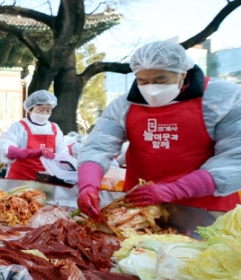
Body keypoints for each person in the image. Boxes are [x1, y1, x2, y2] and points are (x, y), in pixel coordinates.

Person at [77, 40, 241, 219]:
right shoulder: (123, 106)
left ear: (183, 74)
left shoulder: (222, 99)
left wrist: (176, 189)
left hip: (205, 207)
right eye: (142, 81)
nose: (151, 88)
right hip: (139, 208)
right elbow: (98, 147)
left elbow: (235, 157)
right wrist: (88, 186)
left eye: (160, 80)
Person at [0, 90, 66, 180]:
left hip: (46, 181)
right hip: (19, 179)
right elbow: (6, 149)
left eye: (48, 110)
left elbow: (63, 153)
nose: (44, 114)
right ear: (30, 109)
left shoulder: (54, 128)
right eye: (41, 110)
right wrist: (31, 152)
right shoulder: (19, 127)